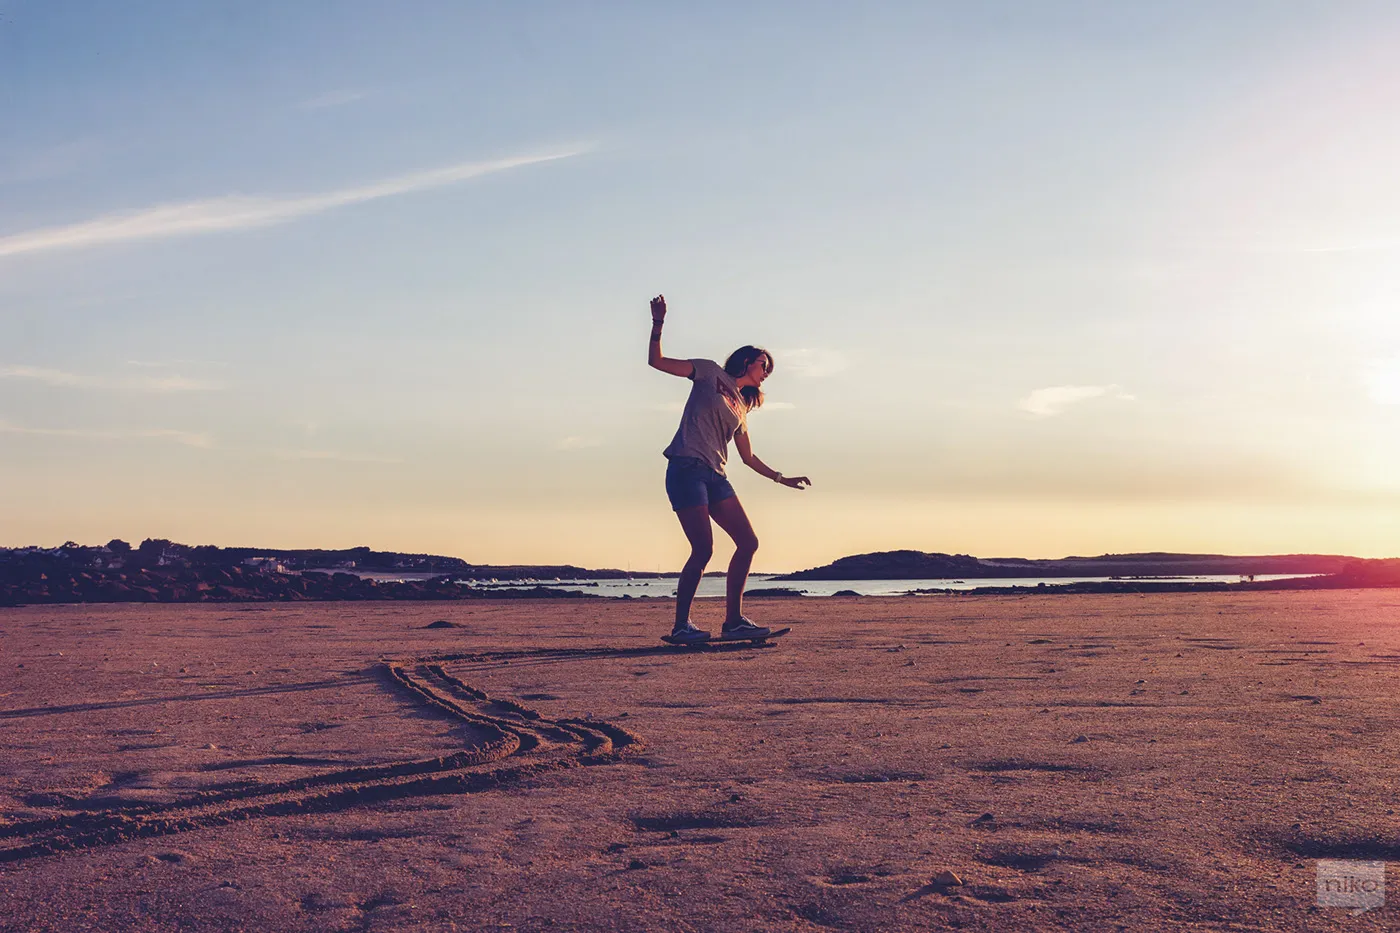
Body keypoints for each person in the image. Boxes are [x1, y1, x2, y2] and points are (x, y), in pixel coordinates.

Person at [647, 294, 811, 643]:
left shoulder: (741, 407)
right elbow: (656, 361)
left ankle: (734, 621)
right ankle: (681, 627)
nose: (767, 373)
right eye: (764, 365)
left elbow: (748, 458)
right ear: (748, 361)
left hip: (716, 477)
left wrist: (782, 478)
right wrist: (658, 323)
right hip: (686, 468)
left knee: (748, 541)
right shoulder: (708, 372)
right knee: (703, 549)